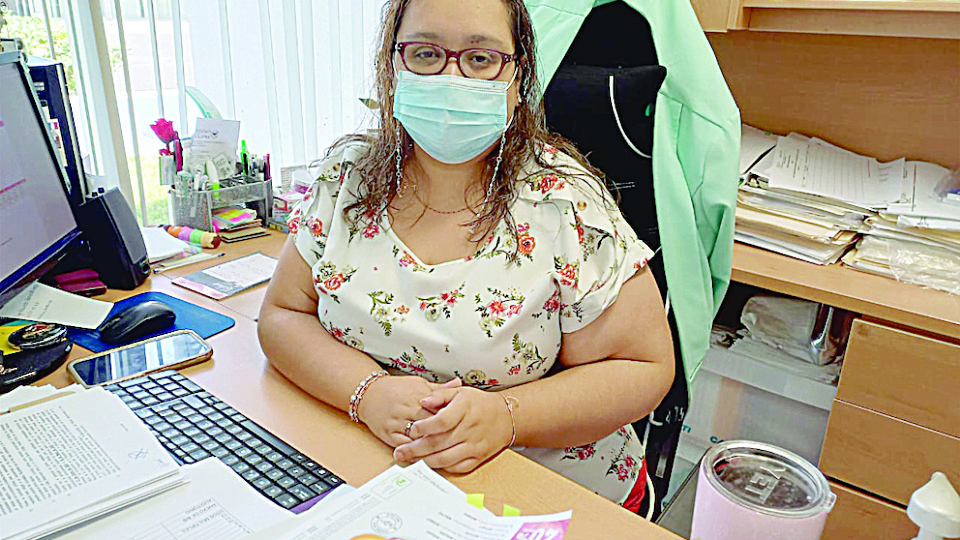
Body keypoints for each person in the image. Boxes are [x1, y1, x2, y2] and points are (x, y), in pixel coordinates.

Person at [257, 0, 674, 513]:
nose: (451, 78)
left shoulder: (566, 202)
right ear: (393, 67)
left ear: (517, 78)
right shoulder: (347, 178)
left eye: (480, 59)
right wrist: (367, 392)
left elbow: (644, 366)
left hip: (541, 491)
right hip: (375, 478)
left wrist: (508, 415)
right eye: (427, 53)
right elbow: (282, 315)